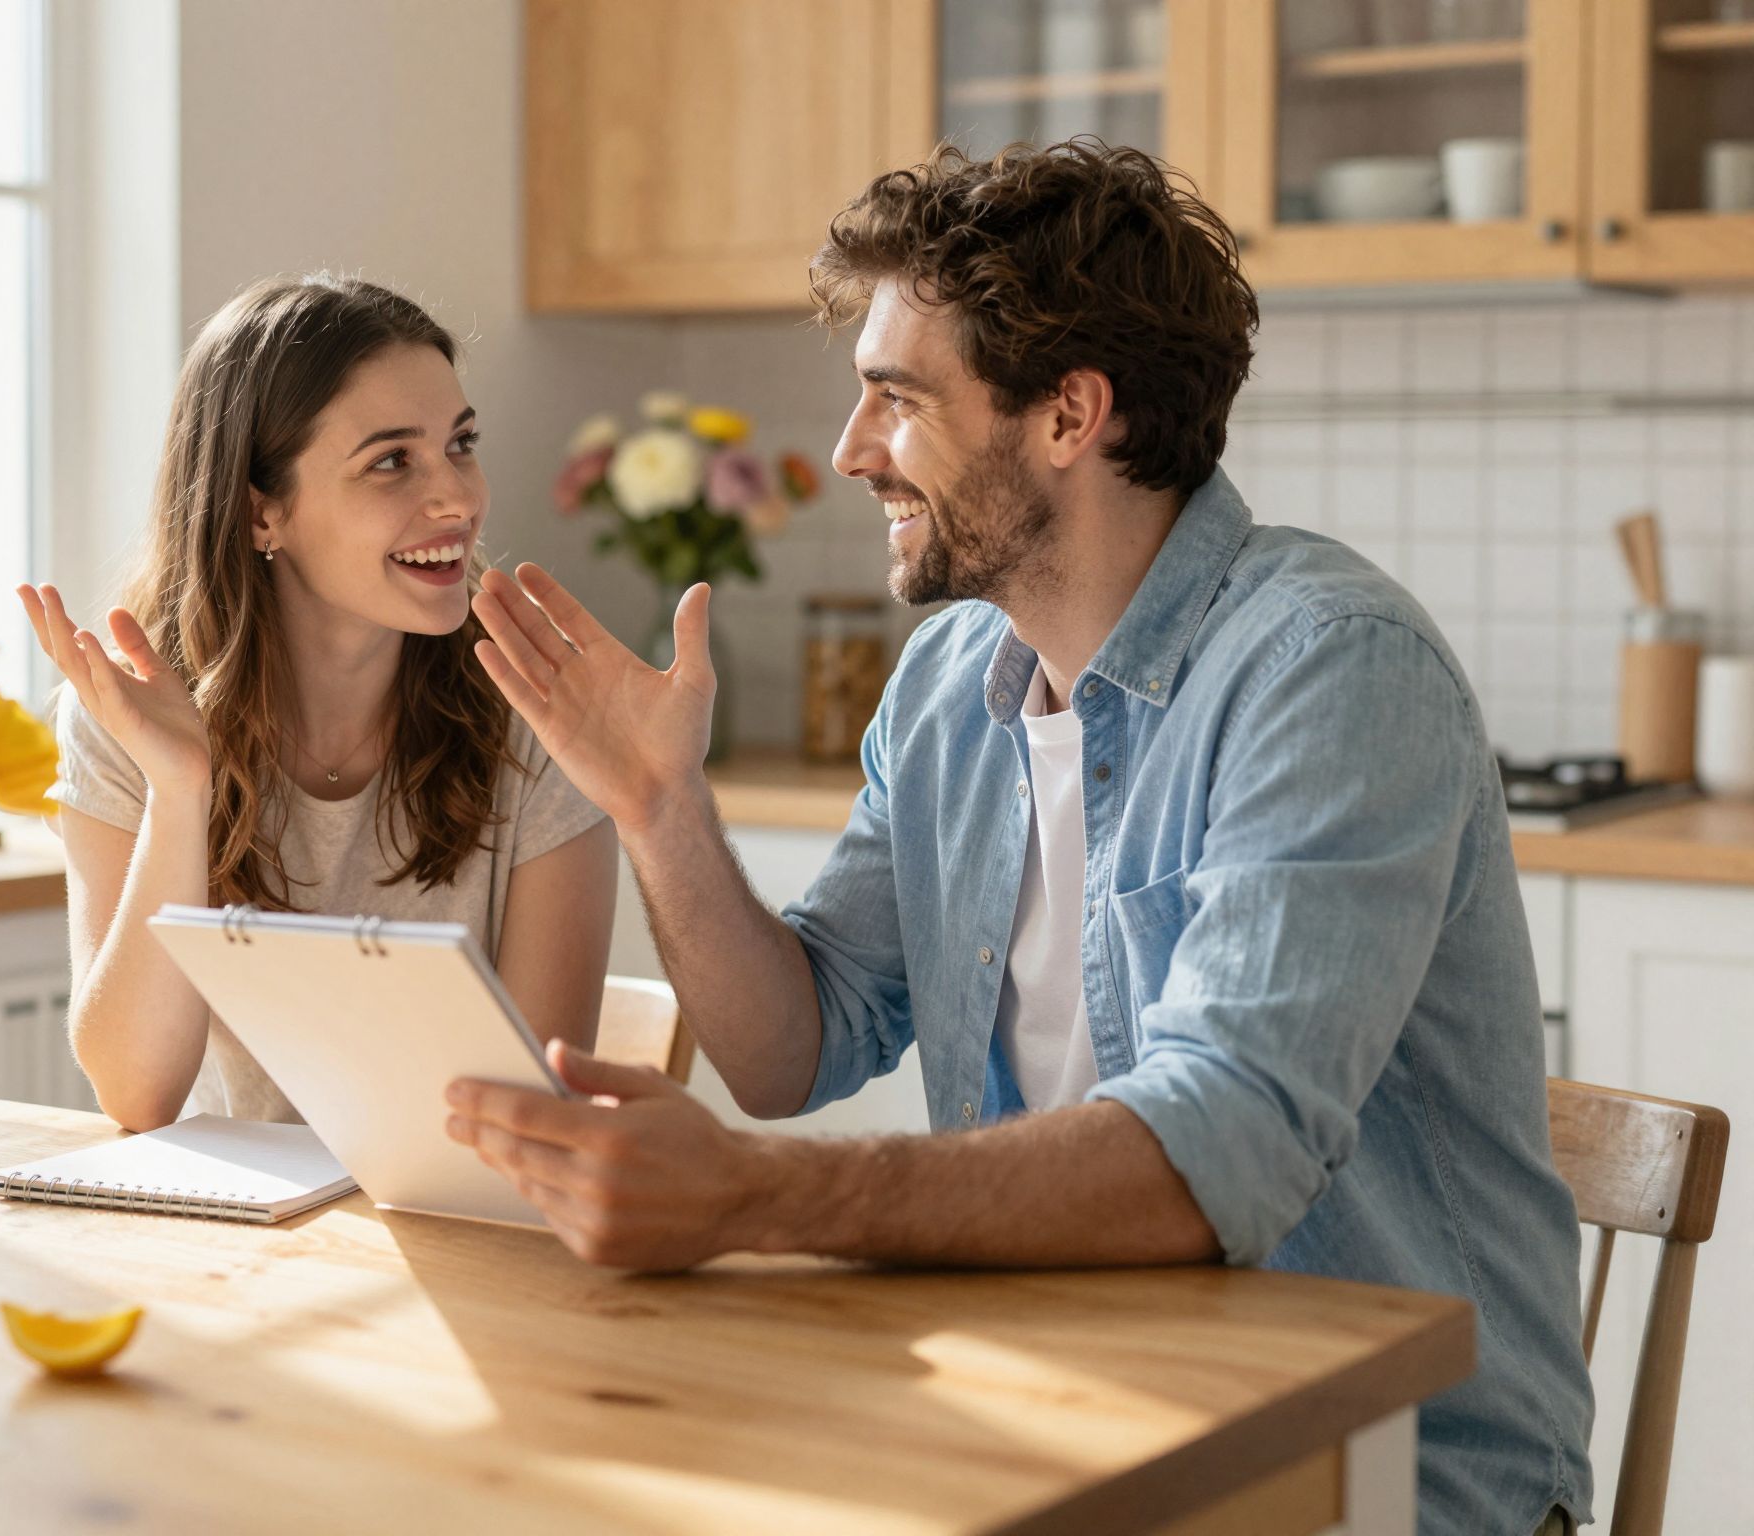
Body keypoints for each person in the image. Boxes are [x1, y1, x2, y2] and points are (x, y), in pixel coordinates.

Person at [448, 143, 1591, 1536]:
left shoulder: (1330, 669)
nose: (851, 450)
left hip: (1379, 1479)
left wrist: (759, 1199)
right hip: (1070, 1419)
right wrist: (658, 810)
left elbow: (1215, 1144)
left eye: (897, 400)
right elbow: (787, 1048)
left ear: (1070, 415)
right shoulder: (949, 687)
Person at [22, 274, 615, 1134]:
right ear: (263, 512)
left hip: (460, 1226)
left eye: (460, 443)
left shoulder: (539, 709)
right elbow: (138, 1095)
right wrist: (179, 793)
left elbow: (530, 1117)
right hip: (224, 1247)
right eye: (391, 461)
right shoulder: (132, 717)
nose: (457, 497)